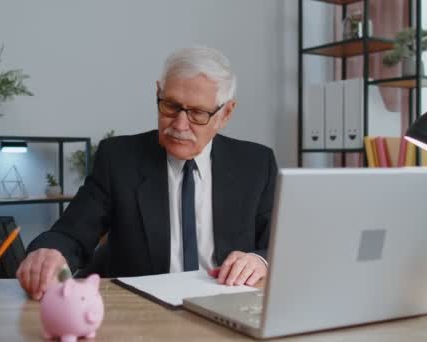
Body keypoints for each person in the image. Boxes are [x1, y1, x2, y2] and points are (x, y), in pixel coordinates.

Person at [17, 46, 278, 300]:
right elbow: (71, 233)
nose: (179, 124)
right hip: (142, 309)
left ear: (226, 113)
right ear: (158, 93)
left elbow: (281, 245)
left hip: (227, 305)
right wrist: (50, 253)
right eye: (171, 106)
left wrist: (259, 260)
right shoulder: (119, 159)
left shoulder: (256, 164)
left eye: (197, 113)